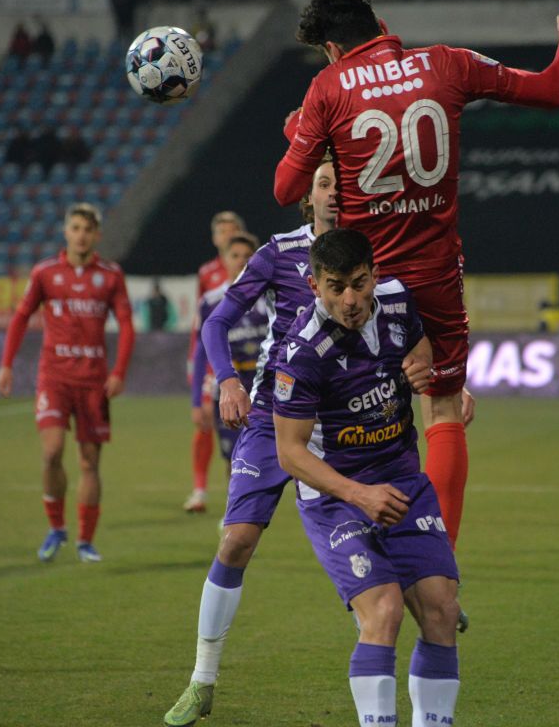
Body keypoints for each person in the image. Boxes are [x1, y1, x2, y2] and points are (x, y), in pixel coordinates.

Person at [274, 0, 559, 553]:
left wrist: (301, 130)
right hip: (436, 273)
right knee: (443, 405)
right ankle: (439, 563)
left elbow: (285, 188)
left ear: (333, 48)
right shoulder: (448, 64)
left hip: (366, 286)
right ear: (380, 24)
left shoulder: (329, 86)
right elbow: (553, 88)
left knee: (362, 411)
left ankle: (364, 544)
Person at [163, 162, 338, 727]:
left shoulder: (373, 251)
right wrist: (229, 379)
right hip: (270, 414)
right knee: (236, 540)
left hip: (343, 422)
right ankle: (201, 681)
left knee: (374, 555)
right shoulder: (279, 252)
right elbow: (215, 324)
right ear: (306, 197)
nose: (335, 192)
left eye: (343, 180)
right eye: (325, 183)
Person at [273, 228, 459, 727]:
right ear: (315, 286)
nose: (350, 299)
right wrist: (359, 494)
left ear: (375, 275)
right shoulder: (301, 353)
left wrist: (425, 371)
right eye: (336, 287)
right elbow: (290, 454)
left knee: (441, 609)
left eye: (359, 283)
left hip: (400, 476)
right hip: (336, 492)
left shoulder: (398, 303)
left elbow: (420, 348)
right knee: (384, 611)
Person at [0, 203, 135, 563]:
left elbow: (127, 325)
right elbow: (22, 316)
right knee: (52, 450)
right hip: (54, 377)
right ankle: (56, 527)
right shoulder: (45, 273)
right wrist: (6, 365)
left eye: (87, 229)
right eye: (75, 228)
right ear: (66, 232)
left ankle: (85, 541)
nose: (81, 235)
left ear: (97, 235)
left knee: (89, 463)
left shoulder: (111, 275)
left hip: (93, 381)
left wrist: (119, 370)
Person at [190, 233, 268, 481]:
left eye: (248, 256)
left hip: (264, 386)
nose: (241, 261)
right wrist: (196, 399)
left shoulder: (270, 297)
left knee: (266, 454)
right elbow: (202, 351)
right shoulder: (211, 301)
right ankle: (234, 513)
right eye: (235, 256)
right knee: (234, 456)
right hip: (229, 387)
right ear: (223, 260)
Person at [184, 211, 246, 514]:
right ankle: (199, 489)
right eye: (222, 230)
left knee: (239, 435)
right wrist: (195, 363)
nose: (227, 234)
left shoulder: (250, 266)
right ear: (215, 238)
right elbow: (203, 324)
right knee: (206, 423)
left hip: (246, 364)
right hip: (213, 362)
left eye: (232, 229)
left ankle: (234, 502)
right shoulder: (208, 274)